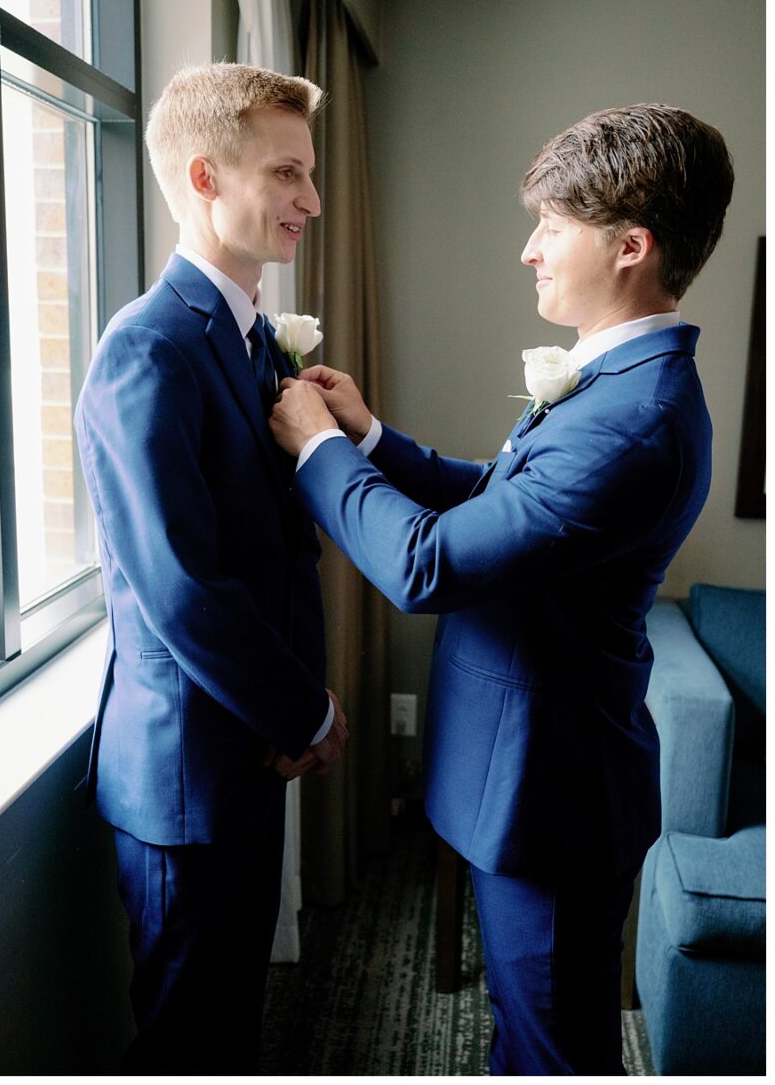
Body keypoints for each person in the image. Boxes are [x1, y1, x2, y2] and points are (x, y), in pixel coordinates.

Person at [269, 103, 733, 1074]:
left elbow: (426, 565)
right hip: (524, 780)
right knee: (521, 1038)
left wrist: (314, 451)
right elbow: (500, 499)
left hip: (551, 795)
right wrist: (367, 439)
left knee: (552, 1051)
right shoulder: (616, 382)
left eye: (552, 226)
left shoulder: (633, 419)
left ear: (631, 247)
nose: (528, 250)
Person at [72, 62, 349, 1074]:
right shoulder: (147, 348)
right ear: (202, 177)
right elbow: (182, 587)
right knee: (192, 1041)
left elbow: (273, 549)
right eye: (286, 174)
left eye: (308, 174)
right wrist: (305, 714)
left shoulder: (247, 343)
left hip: (241, 751)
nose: (310, 203)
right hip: (183, 773)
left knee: (232, 1023)